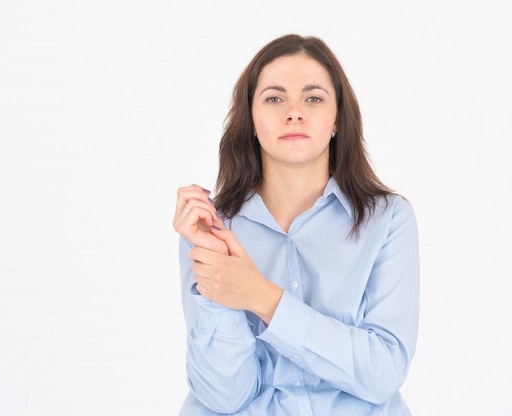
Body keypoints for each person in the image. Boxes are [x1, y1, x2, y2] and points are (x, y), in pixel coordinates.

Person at [172, 33, 420, 415]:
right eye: (274, 98)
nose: (294, 112)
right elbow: (224, 396)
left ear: (337, 119)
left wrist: (260, 296)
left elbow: (382, 372)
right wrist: (215, 272)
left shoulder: (388, 220)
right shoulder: (211, 227)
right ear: (251, 119)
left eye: (314, 97)